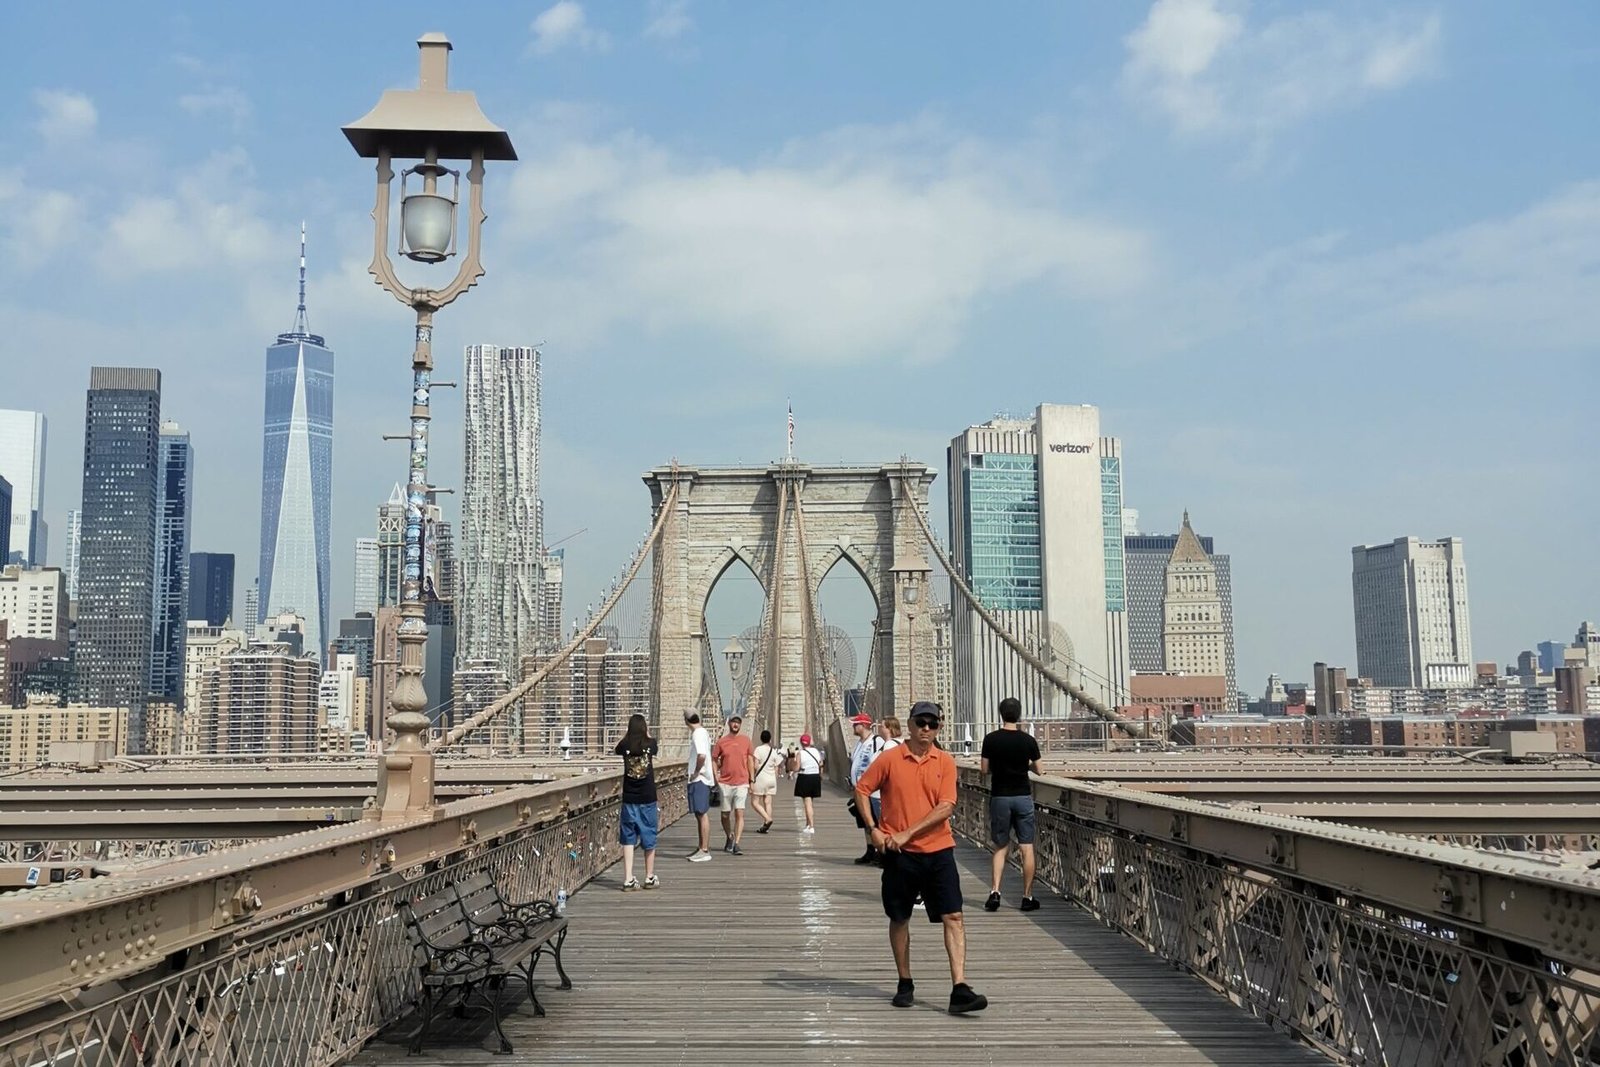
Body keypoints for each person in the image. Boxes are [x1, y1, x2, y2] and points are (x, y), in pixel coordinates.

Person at [855, 700, 988, 1014]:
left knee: (954, 915)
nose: (926, 729)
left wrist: (907, 833)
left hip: (939, 850)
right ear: (910, 725)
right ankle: (905, 982)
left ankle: (960, 988)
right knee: (900, 917)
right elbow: (861, 789)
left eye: (933, 724)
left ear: (938, 728)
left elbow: (946, 806)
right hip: (899, 855)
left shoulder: (945, 761)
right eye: (921, 723)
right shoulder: (890, 759)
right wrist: (873, 830)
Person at [980, 696, 1042, 912]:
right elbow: (1039, 770)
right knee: (1027, 847)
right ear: (1019, 714)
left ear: (1001, 714)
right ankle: (1027, 897)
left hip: (1000, 797)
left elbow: (984, 769)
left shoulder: (991, 739)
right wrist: (1025, 766)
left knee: (1000, 846)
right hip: (1022, 796)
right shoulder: (1028, 741)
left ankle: (995, 893)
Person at [613, 713, 660, 891]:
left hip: (629, 798)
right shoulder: (650, 744)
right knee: (649, 835)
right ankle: (649, 876)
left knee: (628, 837)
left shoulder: (625, 745)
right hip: (647, 797)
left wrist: (627, 736)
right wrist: (646, 735)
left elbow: (617, 749)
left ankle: (628, 879)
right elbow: (654, 748)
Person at [713, 711, 754, 854]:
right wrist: (715, 775)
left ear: (740, 725)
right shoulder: (721, 742)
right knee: (725, 815)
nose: (736, 724)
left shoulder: (746, 740)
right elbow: (714, 758)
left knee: (739, 813)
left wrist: (752, 780)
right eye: (733, 722)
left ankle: (737, 843)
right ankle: (729, 836)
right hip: (725, 783)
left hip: (742, 782)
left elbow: (750, 760)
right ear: (729, 723)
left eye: (738, 722)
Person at [847, 713, 886, 864]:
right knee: (865, 822)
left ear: (863, 725)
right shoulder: (859, 743)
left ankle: (880, 853)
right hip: (859, 790)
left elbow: (880, 762)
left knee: (875, 822)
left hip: (872, 791)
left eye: (855, 724)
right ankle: (870, 851)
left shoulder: (876, 741)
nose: (853, 726)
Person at [685, 712, 714, 862]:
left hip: (700, 779)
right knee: (699, 813)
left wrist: (696, 772)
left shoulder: (697, 733)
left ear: (686, 721)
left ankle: (704, 850)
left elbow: (701, 755)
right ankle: (701, 847)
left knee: (702, 813)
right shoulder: (703, 732)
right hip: (701, 779)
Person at [750, 729, 784, 833]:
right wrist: (775, 778)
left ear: (761, 739)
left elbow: (755, 766)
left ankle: (767, 819)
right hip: (771, 779)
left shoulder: (758, 750)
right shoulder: (773, 752)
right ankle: (766, 825)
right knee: (768, 803)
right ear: (770, 740)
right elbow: (777, 767)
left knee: (755, 802)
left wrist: (751, 777)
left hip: (761, 779)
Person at [791, 733, 825, 833]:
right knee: (810, 802)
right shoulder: (816, 751)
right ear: (809, 742)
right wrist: (820, 774)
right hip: (815, 777)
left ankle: (811, 826)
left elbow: (797, 768)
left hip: (805, 777)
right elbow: (821, 763)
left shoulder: (800, 753)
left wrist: (792, 767)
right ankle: (807, 824)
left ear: (801, 743)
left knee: (807, 802)